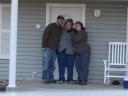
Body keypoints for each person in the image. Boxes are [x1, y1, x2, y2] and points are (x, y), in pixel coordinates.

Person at [42, 15, 65, 84]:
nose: (61, 21)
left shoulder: (61, 28)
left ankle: (51, 78)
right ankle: (45, 79)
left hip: (55, 50)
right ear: (57, 20)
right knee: (46, 64)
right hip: (47, 48)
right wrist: (43, 46)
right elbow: (45, 35)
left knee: (52, 65)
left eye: (62, 20)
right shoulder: (51, 26)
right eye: (60, 20)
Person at [57, 19, 75, 84]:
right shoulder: (61, 30)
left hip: (71, 51)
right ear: (65, 25)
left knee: (70, 66)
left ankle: (70, 79)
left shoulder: (74, 32)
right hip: (61, 50)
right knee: (61, 66)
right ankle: (61, 79)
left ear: (72, 25)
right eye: (67, 24)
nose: (68, 25)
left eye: (70, 24)